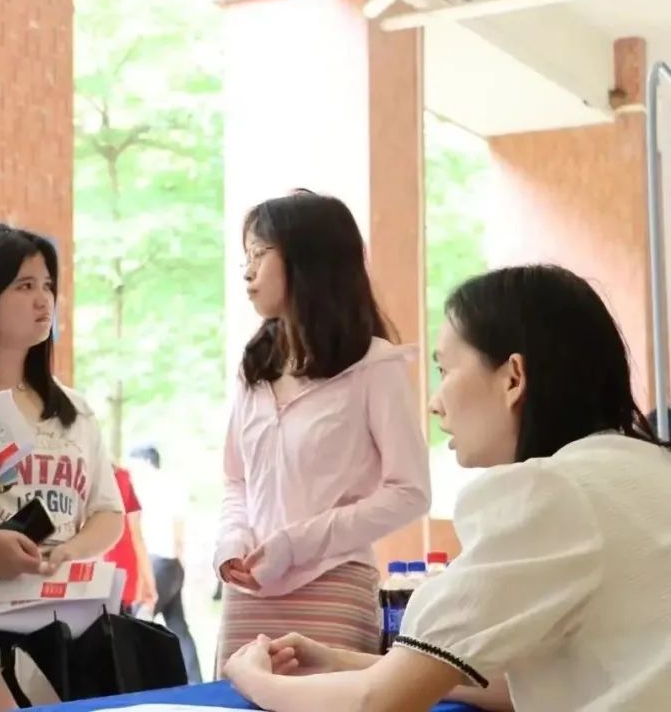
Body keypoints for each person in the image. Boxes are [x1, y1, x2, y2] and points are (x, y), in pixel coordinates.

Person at [223, 264, 671, 711]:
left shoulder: (547, 494)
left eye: (444, 370)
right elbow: (524, 688)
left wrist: (252, 680)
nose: (435, 404)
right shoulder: (645, 468)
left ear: (513, 378)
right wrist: (344, 661)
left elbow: (375, 703)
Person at [215, 190, 430, 672]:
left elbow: (411, 492)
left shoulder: (375, 365)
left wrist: (297, 543)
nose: (247, 272)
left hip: (332, 586)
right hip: (247, 593)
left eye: (259, 254)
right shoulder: (255, 368)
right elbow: (236, 479)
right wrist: (230, 542)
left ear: (307, 260)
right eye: (245, 257)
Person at [0, 224, 125, 617]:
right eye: (24, 286)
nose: (43, 300)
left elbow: (109, 513)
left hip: (64, 616)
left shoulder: (75, 410)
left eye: (48, 285)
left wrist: (69, 551)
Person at [130, 444, 202, 683]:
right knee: (178, 626)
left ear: (146, 462)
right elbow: (179, 531)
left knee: (138, 622)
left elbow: (136, 531)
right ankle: (194, 681)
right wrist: (180, 566)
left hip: (155, 562)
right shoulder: (173, 485)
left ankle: (139, 681)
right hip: (172, 563)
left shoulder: (141, 486)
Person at [103, 463, 157, 614]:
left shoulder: (83, 475)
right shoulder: (122, 477)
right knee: (123, 622)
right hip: (124, 572)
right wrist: (148, 580)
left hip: (94, 571)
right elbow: (136, 534)